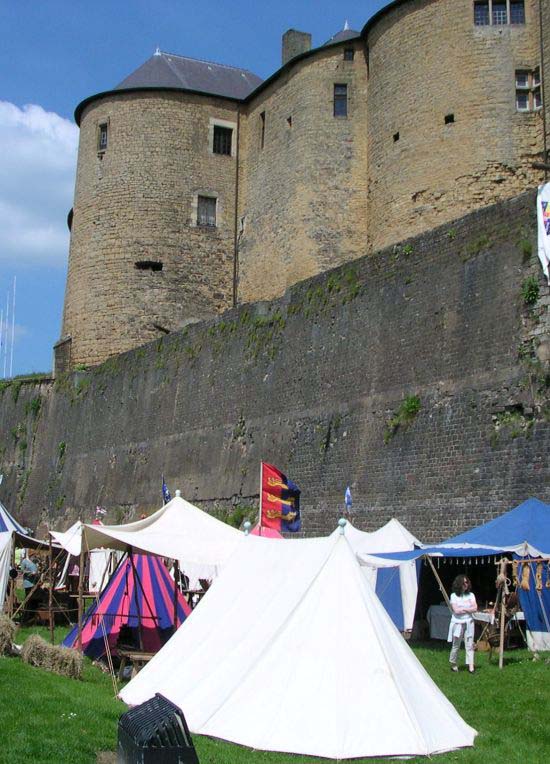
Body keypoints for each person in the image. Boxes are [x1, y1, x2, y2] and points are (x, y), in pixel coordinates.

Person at [448, 574, 477, 674]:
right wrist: (468, 609)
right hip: (457, 623)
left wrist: (463, 609)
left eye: (467, 582)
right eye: (464, 583)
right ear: (459, 584)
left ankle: (471, 667)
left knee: (469, 645)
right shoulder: (453, 596)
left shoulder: (471, 595)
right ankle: (453, 664)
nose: (466, 584)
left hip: (469, 622)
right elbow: (456, 610)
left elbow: (475, 608)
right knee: (456, 645)